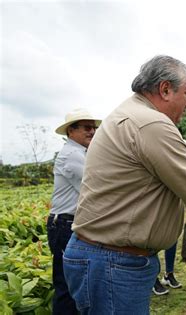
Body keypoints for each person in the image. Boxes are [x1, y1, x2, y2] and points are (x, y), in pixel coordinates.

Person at [63, 55, 186, 314]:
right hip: (113, 261)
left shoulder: (131, 115)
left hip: (107, 258)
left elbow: (162, 185)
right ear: (165, 89)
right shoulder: (151, 123)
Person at [47, 108, 101, 315]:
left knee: (74, 283)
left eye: (94, 127)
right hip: (64, 226)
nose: (92, 132)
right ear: (71, 131)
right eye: (87, 128)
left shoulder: (81, 153)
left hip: (71, 223)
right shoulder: (72, 155)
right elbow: (96, 186)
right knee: (66, 286)